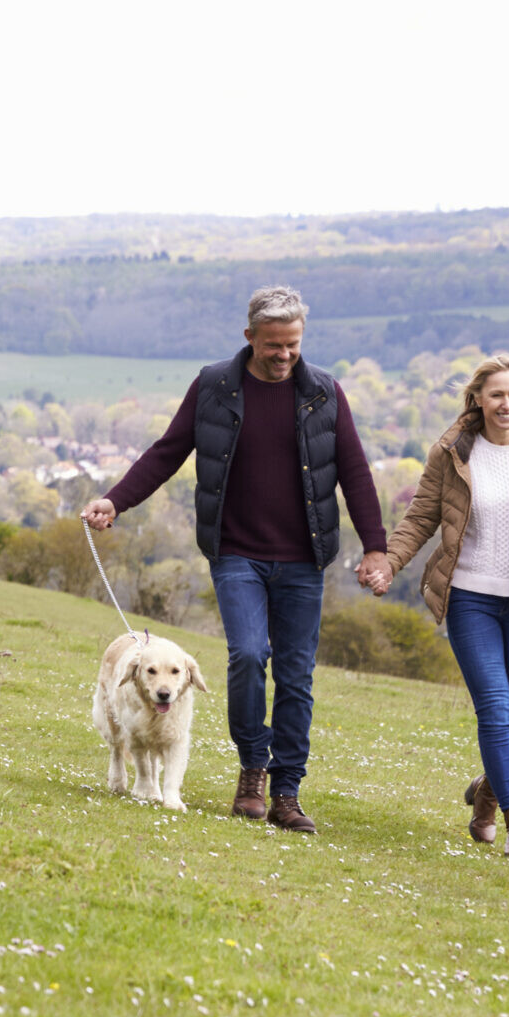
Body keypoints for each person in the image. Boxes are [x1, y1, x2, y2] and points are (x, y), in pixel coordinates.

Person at [82, 287, 391, 832]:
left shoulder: (324, 393)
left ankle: (287, 792)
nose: (284, 354)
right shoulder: (214, 387)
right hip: (236, 552)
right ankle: (252, 770)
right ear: (249, 337)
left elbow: (355, 470)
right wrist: (115, 499)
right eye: (273, 344)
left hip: (303, 557)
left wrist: (376, 548)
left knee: (295, 675)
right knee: (248, 655)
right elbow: (167, 450)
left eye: (293, 344)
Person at [370, 352, 509, 861]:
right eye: (497, 395)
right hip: (469, 598)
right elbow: (422, 516)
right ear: (478, 400)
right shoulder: (451, 452)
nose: (507, 404)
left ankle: (486, 795)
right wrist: (390, 563)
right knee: (495, 709)